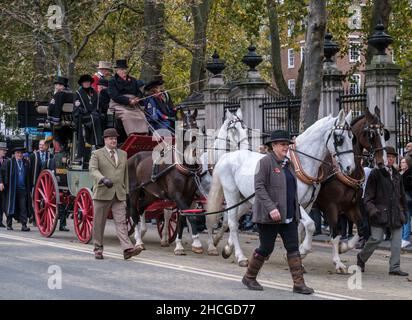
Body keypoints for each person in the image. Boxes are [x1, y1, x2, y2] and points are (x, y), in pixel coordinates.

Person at [242, 130, 314, 294]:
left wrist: (296, 212)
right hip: (270, 216)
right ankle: (249, 277)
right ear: (273, 146)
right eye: (282, 144)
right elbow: (259, 188)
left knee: (293, 248)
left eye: (287, 144)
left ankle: (299, 284)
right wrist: (271, 208)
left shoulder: (288, 164)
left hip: (289, 215)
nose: (286, 147)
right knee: (266, 248)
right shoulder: (265, 162)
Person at [89, 128, 142, 260]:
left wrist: (127, 192)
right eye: (111, 138)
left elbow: (125, 175)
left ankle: (127, 249)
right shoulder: (97, 154)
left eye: (115, 138)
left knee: (121, 223)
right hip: (102, 192)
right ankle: (98, 248)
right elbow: (93, 170)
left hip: (119, 193)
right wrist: (102, 179)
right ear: (105, 140)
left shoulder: (123, 154)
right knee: (99, 223)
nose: (114, 141)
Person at [357, 146, 409, 276]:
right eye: (388, 157)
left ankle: (394, 268)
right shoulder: (376, 173)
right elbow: (367, 197)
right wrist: (373, 211)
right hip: (380, 214)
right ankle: (361, 258)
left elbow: (402, 196)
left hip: (396, 214)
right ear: (383, 158)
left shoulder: (397, 174)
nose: (390, 159)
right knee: (376, 239)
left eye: (393, 157)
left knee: (397, 242)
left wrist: (404, 212)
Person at [108, 59, 148, 135]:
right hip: (118, 105)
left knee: (141, 114)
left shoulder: (133, 80)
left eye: (125, 69)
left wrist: (137, 98)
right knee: (127, 114)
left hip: (133, 105)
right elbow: (114, 96)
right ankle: (132, 134)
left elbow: (139, 92)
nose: (124, 71)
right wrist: (128, 100)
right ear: (117, 70)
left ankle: (144, 134)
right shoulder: (112, 81)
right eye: (122, 69)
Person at [0, 147, 32, 231]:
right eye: (18, 153)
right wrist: (1, 182)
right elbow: (1, 173)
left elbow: (29, 176)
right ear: (14, 154)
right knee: (11, 205)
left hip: (23, 189)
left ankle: (24, 225)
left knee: (23, 207)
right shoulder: (9, 162)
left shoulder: (26, 163)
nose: (20, 154)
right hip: (12, 189)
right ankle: (9, 224)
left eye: (21, 153)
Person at [73, 74, 103, 164]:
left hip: (93, 115)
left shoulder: (94, 92)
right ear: (82, 84)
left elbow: (97, 106)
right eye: (85, 82)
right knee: (94, 118)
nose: (86, 84)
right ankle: (97, 143)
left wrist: (96, 112)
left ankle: (98, 142)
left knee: (99, 118)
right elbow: (77, 107)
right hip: (82, 116)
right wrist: (86, 111)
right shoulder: (78, 93)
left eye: (88, 82)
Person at [29, 139, 56, 227]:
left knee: (45, 201)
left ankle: (43, 219)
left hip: (46, 183)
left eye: (43, 145)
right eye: (40, 145)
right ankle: (35, 218)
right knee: (35, 199)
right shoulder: (33, 156)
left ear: (47, 146)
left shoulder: (50, 155)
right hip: (35, 181)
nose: (41, 146)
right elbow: (30, 170)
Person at [47, 76, 73, 152]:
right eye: (56, 85)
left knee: (57, 135)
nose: (57, 87)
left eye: (59, 85)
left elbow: (54, 107)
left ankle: (61, 147)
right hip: (70, 121)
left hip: (61, 122)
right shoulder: (71, 94)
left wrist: (55, 120)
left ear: (63, 87)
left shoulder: (59, 94)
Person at [401, 157, 412, 248]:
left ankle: (405, 239)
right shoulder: (401, 173)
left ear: (408, 163)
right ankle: (404, 238)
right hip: (405, 199)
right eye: (401, 162)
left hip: (408, 199)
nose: (401, 164)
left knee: (406, 219)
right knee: (405, 218)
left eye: (403, 162)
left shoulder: (408, 174)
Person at [0, 142, 9, 228]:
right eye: (3, 150)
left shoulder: (6, 160)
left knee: (2, 203)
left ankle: (0, 220)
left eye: (5, 150)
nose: (4, 152)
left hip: (3, 186)